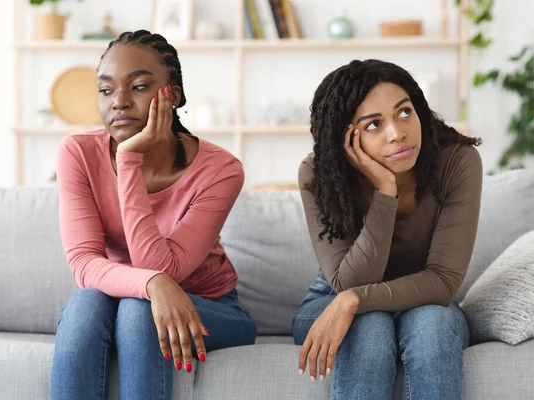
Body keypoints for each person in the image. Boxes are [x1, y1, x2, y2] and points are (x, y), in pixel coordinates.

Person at [50, 30, 256, 400]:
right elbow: (83, 263)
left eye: (139, 86)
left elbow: (164, 267)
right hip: (122, 295)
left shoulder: (221, 170)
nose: (120, 102)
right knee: (85, 303)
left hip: (209, 308)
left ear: (172, 95)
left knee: (137, 312)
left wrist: (128, 159)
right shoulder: (77, 153)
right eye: (106, 90)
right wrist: (152, 284)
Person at [293, 59, 482, 400]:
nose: (397, 132)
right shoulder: (318, 175)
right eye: (373, 125)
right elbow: (348, 283)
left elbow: (441, 281)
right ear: (346, 138)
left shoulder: (456, 161)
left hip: (423, 297)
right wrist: (385, 191)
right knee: (369, 325)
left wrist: (356, 299)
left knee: (434, 327)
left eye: (404, 112)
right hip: (333, 296)